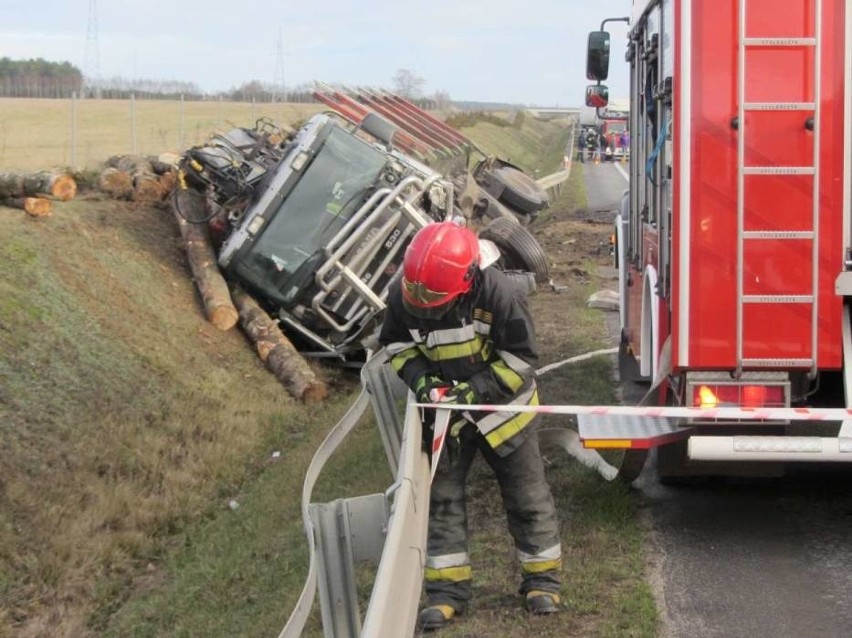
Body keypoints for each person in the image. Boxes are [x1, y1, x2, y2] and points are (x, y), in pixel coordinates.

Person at [378, 222, 562, 632]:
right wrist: (422, 380)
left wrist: (474, 392)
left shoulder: (501, 294)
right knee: (441, 501)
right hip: (448, 420)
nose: (424, 308)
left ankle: (542, 583)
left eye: (434, 302)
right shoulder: (406, 293)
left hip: (506, 415)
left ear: (466, 280)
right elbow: (396, 345)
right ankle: (447, 593)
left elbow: (520, 361)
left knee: (528, 498)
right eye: (417, 300)